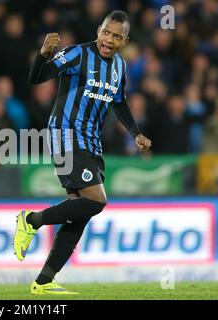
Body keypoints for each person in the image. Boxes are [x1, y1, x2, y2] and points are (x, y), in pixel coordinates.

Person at [14, 11, 152, 295]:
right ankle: (30, 221)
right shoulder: (77, 54)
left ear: (124, 41)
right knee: (97, 200)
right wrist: (42, 54)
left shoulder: (119, 67)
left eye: (116, 36)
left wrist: (135, 132)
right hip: (65, 134)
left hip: (90, 141)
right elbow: (36, 78)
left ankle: (44, 281)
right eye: (105, 32)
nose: (108, 40)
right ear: (98, 30)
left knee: (80, 210)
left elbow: (120, 103)